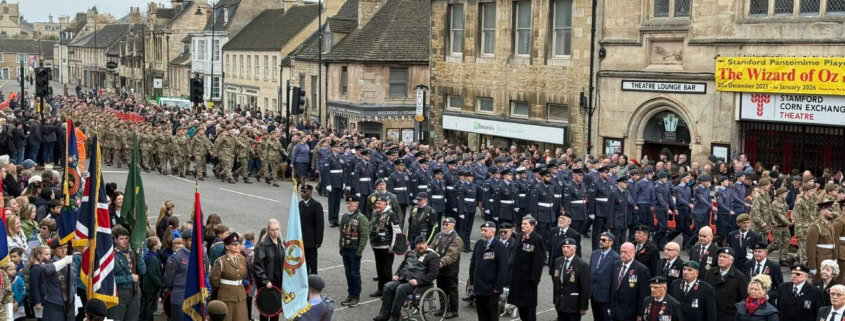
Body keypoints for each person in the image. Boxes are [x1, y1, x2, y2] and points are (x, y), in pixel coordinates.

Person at [373, 236, 439, 321]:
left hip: (422, 284)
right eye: (419, 244)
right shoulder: (410, 253)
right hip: (405, 279)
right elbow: (402, 265)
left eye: (423, 243)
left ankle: (394, 316)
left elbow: (433, 275)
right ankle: (385, 315)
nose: (421, 246)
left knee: (401, 289)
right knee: (388, 286)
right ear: (415, 245)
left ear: (427, 244)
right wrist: (397, 274)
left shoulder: (433, 256)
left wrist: (418, 281)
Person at [468, 222, 510, 321]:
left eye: (485, 230)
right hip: (479, 287)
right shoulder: (479, 244)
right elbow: (473, 264)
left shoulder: (499, 247)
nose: (482, 232)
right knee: (481, 313)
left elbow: (503, 269)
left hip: (492, 289)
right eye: (482, 230)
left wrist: (498, 287)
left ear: (493, 232)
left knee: (491, 314)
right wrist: (472, 282)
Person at [508, 215, 546, 321]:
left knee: (529, 308)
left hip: (529, 279)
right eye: (522, 223)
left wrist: (535, 280)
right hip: (517, 278)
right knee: (520, 306)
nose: (522, 225)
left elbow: (539, 261)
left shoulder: (537, 239)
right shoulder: (519, 236)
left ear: (532, 226)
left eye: (525, 224)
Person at [108, 226, 146, 321]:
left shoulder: (133, 252)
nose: (124, 241)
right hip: (120, 292)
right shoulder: (112, 255)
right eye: (121, 238)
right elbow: (110, 279)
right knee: (116, 318)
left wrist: (138, 255)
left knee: (132, 318)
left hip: (135, 291)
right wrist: (129, 278)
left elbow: (142, 270)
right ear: (116, 240)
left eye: (126, 238)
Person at [338, 195, 369, 307]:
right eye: (348, 204)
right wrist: (340, 247)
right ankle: (350, 294)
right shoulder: (345, 216)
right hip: (345, 249)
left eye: (351, 204)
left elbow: (364, 236)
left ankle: (356, 296)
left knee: (354, 274)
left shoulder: (362, 218)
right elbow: (341, 233)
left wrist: (359, 252)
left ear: (357, 204)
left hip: (354, 250)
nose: (349, 205)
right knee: (348, 273)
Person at [209, 232, 248, 321]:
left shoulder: (242, 259)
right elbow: (214, 280)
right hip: (226, 296)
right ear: (227, 247)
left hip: (240, 295)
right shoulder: (221, 261)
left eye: (237, 244)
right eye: (233, 244)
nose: (236, 246)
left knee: (240, 318)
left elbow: (244, 274)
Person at [703, 247, 748, 321]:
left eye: (725, 257)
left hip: (730, 316)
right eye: (720, 256)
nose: (721, 259)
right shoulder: (710, 272)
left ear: (732, 260)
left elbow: (744, 298)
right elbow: (705, 293)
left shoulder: (740, 276)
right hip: (712, 314)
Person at [609, 242, 651, 321]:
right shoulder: (616, 265)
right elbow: (612, 287)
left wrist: (640, 314)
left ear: (633, 253)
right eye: (621, 252)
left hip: (630, 313)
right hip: (614, 311)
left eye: (626, 252)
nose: (623, 254)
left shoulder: (641, 270)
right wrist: (609, 307)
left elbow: (644, 294)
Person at [430, 217, 462, 319]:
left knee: (452, 290)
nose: (444, 226)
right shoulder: (439, 235)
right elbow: (432, 248)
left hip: (450, 270)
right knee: (441, 288)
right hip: (438, 269)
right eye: (443, 224)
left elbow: (452, 255)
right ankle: (443, 308)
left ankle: (454, 310)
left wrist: (442, 262)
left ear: (453, 225)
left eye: (447, 224)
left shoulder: (457, 239)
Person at [551, 237, 590, 321]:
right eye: (563, 247)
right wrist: (555, 300)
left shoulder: (582, 265)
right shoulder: (558, 261)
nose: (565, 249)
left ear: (574, 248)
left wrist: (583, 307)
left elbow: (585, 288)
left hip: (573, 306)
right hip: (560, 304)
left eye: (568, 247)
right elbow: (556, 283)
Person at [369, 195, 401, 298]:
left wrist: (393, 246)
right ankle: (380, 289)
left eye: (379, 203)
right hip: (377, 246)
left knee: (387, 271)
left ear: (385, 204)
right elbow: (371, 227)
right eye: (376, 203)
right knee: (379, 270)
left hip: (387, 247)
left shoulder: (391, 215)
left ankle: (388, 292)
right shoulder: (374, 213)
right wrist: (372, 243)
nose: (377, 205)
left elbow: (397, 232)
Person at [254, 219, 284, 321]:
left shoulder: (281, 244)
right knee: (265, 311)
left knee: (276, 310)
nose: (275, 232)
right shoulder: (263, 245)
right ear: (268, 230)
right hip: (266, 284)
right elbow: (258, 266)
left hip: (278, 282)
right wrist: (265, 281)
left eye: (277, 229)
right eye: (272, 230)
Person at [41, 237, 75, 321]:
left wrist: (76, 300)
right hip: (54, 305)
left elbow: (74, 282)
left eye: (66, 247)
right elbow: (46, 270)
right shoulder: (49, 262)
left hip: (70, 304)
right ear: (53, 250)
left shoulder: (71, 263)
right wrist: (64, 261)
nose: (64, 250)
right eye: (60, 248)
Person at [590, 231, 620, 321]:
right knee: (596, 318)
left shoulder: (616, 257)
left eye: (603, 240)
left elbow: (615, 280)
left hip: (606, 297)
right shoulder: (594, 254)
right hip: (594, 295)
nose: (600, 241)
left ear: (610, 242)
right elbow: (590, 272)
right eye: (600, 239)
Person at [808, 200, 837, 281]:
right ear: (822, 211)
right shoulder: (815, 226)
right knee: (819, 284)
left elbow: (833, 244)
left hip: (830, 261)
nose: (832, 212)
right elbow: (810, 249)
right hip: (820, 262)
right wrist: (812, 267)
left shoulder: (829, 225)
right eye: (830, 210)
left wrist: (835, 258)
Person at [299, 185, 324, 275]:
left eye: (305, 192)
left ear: (310, 192)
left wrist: (318, 241)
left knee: (312, 264)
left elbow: (319, 224)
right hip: (301, 240)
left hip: (311, 241)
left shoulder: (316, 205)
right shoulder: (300, 204)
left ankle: (313, 284)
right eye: (301, 191)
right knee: (302, 263)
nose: (302, 193)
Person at [141, 237, 162, 321]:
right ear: (154, 246)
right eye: (159, 242)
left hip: (146, 285)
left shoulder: (148, 255)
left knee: (145, 304)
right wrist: (161, 284)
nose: (160, 243)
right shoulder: (152, 258)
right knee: (150, 306)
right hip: (151, 287)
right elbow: (153, 274)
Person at [325, 141, 345, 227]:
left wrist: (343, 182)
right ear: (332, 148)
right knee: (332, 203)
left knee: (337, 202)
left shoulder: (340, 157)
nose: (338, 148)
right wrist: (328, 184)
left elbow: (343, 171)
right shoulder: (329, 158)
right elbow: (326, 172)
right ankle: (331, 220)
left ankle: (336, 219)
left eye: (339, 147)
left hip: (339, 183)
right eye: (337, 147)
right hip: (332, 183)